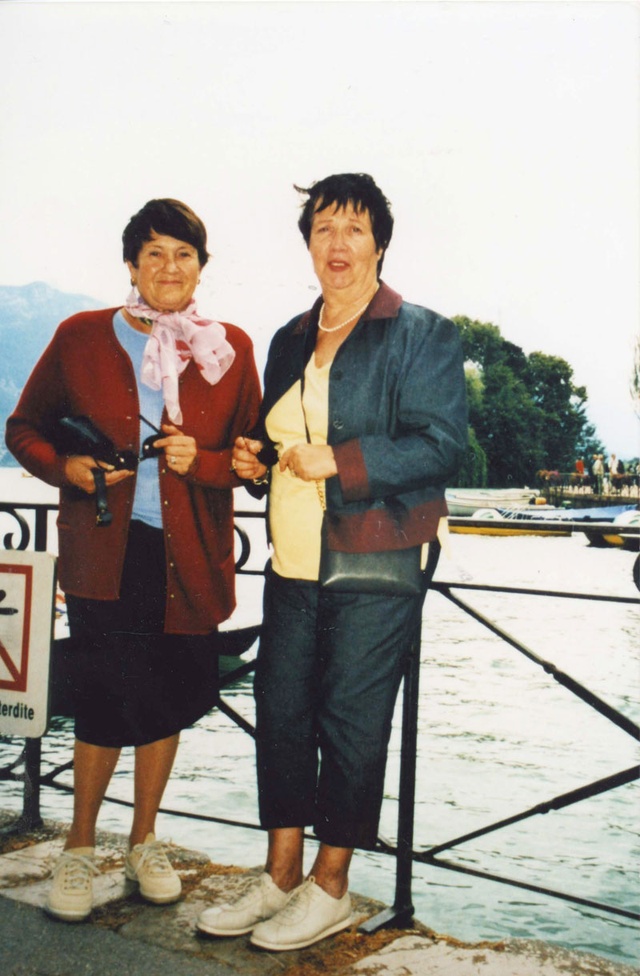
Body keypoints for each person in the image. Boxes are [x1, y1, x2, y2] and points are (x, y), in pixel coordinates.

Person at [197, 173, 467, 950]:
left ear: (380, 242)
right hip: (291, 561)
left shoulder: (422, 333)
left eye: (353, 229)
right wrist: (257, 457)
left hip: (376, 561)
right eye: (323, 229)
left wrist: (341, 462)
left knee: (351, 722)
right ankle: (280, 874)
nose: (337, 245)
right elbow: (280, 440)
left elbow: (441, 444)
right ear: (308, 244)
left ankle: (331, 883)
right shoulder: (289, 336)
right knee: (280, 716)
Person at [5, 198, 261, 922]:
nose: (169, 268)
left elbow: (250, 460)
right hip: (104, 553)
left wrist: (204, 462)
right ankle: (80, 849)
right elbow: (21, 429)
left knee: (167, 699)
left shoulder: (231, 349)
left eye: (183, 254)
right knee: (103, 698)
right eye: (153, 254)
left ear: (202, 268)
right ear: (131, 265)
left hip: (192, 557)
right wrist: (74, 472)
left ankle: (143, 841)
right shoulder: (82, 337)